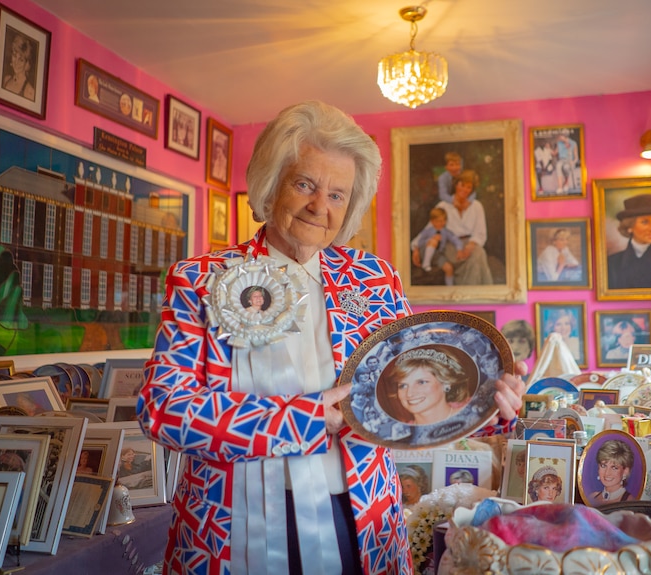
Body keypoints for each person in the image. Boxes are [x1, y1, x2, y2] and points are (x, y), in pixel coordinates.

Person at [137, 100, 527, 575]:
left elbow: (409, 400)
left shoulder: (374, 279)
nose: (320, 206)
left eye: (338, 194)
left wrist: (489, 404)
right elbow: (164, 409)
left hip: (360, 524)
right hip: (228, 528)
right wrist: (307, 418)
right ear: (271, 183)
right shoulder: (202, 279)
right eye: (305, 184)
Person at [382, 347, 471, 425]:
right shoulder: (400, 439)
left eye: (421, 382)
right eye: (403, 386)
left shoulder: (475, 414)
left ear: (446, 383)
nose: (409, 394)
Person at [436, 169, 494, 285]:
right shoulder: (443, 206)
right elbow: (431, 229)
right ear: (456, 184)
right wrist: (416, 247)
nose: (464, 190)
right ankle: (483, 293)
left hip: (470, 245)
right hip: (451, 247)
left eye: (468, 187)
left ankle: (470, 293)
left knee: (478, 254)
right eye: (462, 185)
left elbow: (480, 233)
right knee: (479, 254)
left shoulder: (477, 206)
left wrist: (470, 245)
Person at [410, 206, 463, 285]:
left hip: (437, 255)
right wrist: (429, 240)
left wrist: (459, 249)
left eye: (443, 221)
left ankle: (450, 289)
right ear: (432, 221)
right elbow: (418, 242)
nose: (441, 223)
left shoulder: (445, 232)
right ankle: (426, 263)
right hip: (425, 252)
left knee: (449, 268)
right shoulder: (428, 231)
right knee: (433, 241)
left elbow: (455, 239)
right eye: (438, 221)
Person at [588, 439, 634, 505]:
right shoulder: (592, 497)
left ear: (625, 471)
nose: (607, 473)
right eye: (603, 466)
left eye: (614, 468)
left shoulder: (630, 502)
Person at [2, 32, 36, 101]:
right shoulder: (6, 79)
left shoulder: (30, 91)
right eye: (14, 56)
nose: (16, 62)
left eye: (21, 60)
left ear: (27, 64)